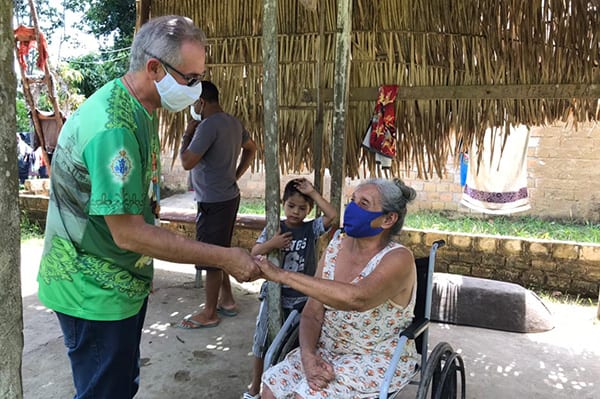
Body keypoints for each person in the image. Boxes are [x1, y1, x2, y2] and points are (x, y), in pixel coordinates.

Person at [36, 15, 260, 399]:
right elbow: (129, 233)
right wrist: (224, 257)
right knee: (105, 391)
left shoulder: (139, 107)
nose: (196, 89)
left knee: (121, 383)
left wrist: (141, 272)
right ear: (154, 68)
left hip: (116, 282)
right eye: (191, 79)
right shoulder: (114, 129)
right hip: (92, 291)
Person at [257, 178, 420, 399]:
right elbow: (313, 313)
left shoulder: (399, 258)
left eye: (363, 204)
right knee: (271, 389)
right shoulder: (336, 247)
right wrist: (308, 356)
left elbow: (357, 298)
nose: (351, 208)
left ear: (389, 219)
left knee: (306, 396)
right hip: (324, 350)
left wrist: (281, 274)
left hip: (373, 356)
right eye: (352, 200)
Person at [244, 178, 338, 399]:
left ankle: (290, 386)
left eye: (303, 208)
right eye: (291, 206)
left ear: (309, 209)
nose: (296, 212)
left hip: (301, 298)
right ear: (283, 204)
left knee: (298, 343)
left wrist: (313, 193)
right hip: (275, 295)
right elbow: (255, 251)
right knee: (261, 342)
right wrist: (273, 244)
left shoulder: (310, 229)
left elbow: (332, 216)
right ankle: (255, 386)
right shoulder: (276, 227)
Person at [177, 80, 257, 329]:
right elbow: (251, 148)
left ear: (201, 101)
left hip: (214, 200)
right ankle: (228, 301)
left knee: (211, 257)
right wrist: (236, 174)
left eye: (194, 102)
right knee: (219, 250)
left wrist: (186, 135)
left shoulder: (207, 126)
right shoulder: (232, 122)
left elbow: (187, 161)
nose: (193, 107)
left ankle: (210, 313)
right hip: (227, 196)